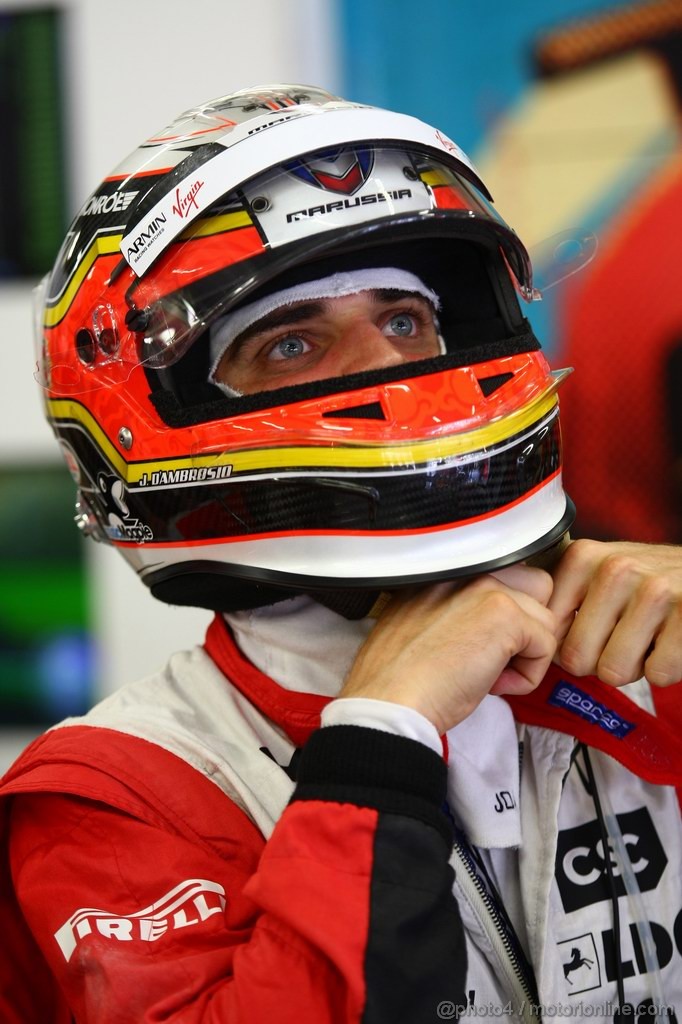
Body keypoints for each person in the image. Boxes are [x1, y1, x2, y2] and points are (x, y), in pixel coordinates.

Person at [1, 83, 681, 1024]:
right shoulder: (119, 792)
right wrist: (378, 742)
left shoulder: (642, 650)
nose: (394, 373)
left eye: (405, 320)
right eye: (294, 344)